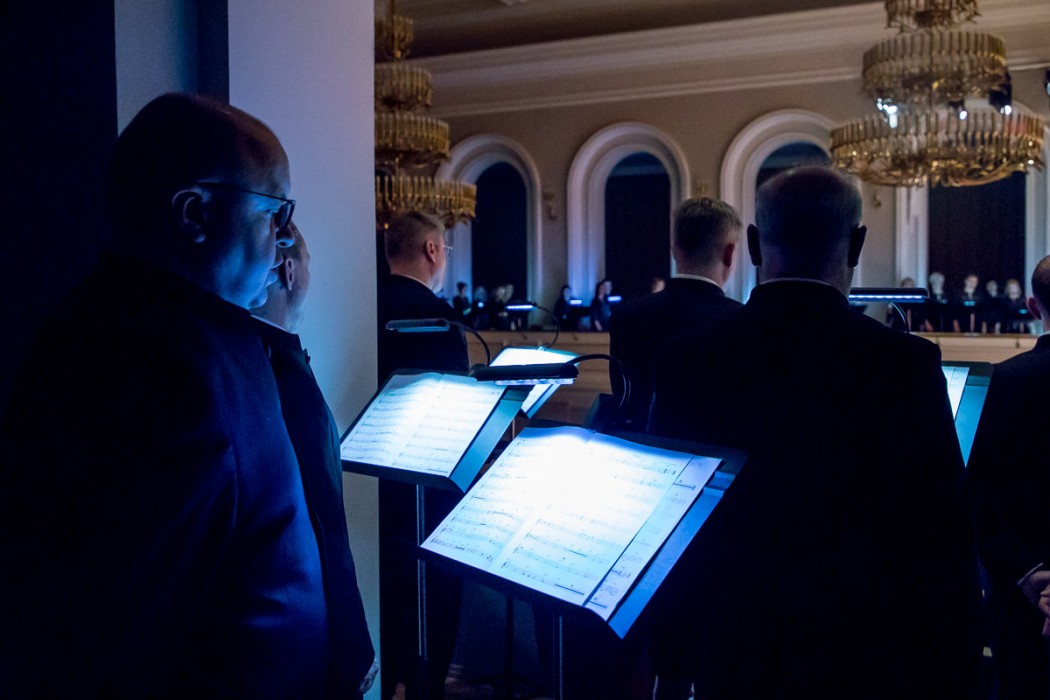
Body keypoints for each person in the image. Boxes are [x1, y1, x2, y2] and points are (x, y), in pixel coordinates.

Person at [0, 93, 331, 696]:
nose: (285, 239)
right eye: (275, 213)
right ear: (194, 213)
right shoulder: (164, 366)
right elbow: (123, 633)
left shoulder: (142, 324)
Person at [649, 166, 981, 700]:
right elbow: (943, 536)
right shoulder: (905, 365)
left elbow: (670, 532)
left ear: (753, 245)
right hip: (866, 655)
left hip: (732, 649)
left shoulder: (685, 359)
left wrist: (671, 663)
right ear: (857, 245)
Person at [251, 222, 378, 697]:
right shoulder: (283, 371)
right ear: (290, 271)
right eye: (308, 264)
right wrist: (352, 640)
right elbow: (325, 523)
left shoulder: (243, 353)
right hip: (301, 633)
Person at [376, 210, 469, 700]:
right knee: (435, 605)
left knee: (385, 601)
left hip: (371, 482)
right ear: (432, 250)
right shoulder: (441, 318)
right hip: (429, 489)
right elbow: (459, 410)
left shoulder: (364, 303)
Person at [969, 255, 1050, 699]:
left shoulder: (1006, 380)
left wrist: (1032, 576)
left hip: (1023, 601)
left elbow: (981, 498)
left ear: (1033, 307)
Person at [609, 197, 743, 427]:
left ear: (674, 250)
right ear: (730, 254)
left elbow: (625, 405)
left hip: (638, 445)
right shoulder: (740, 323)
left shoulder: (625, 317)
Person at [377, 211, 468, 383]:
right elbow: (457, 385)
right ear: (431, 250)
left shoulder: (370, 306)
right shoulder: (439, 314)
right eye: (445, 250)